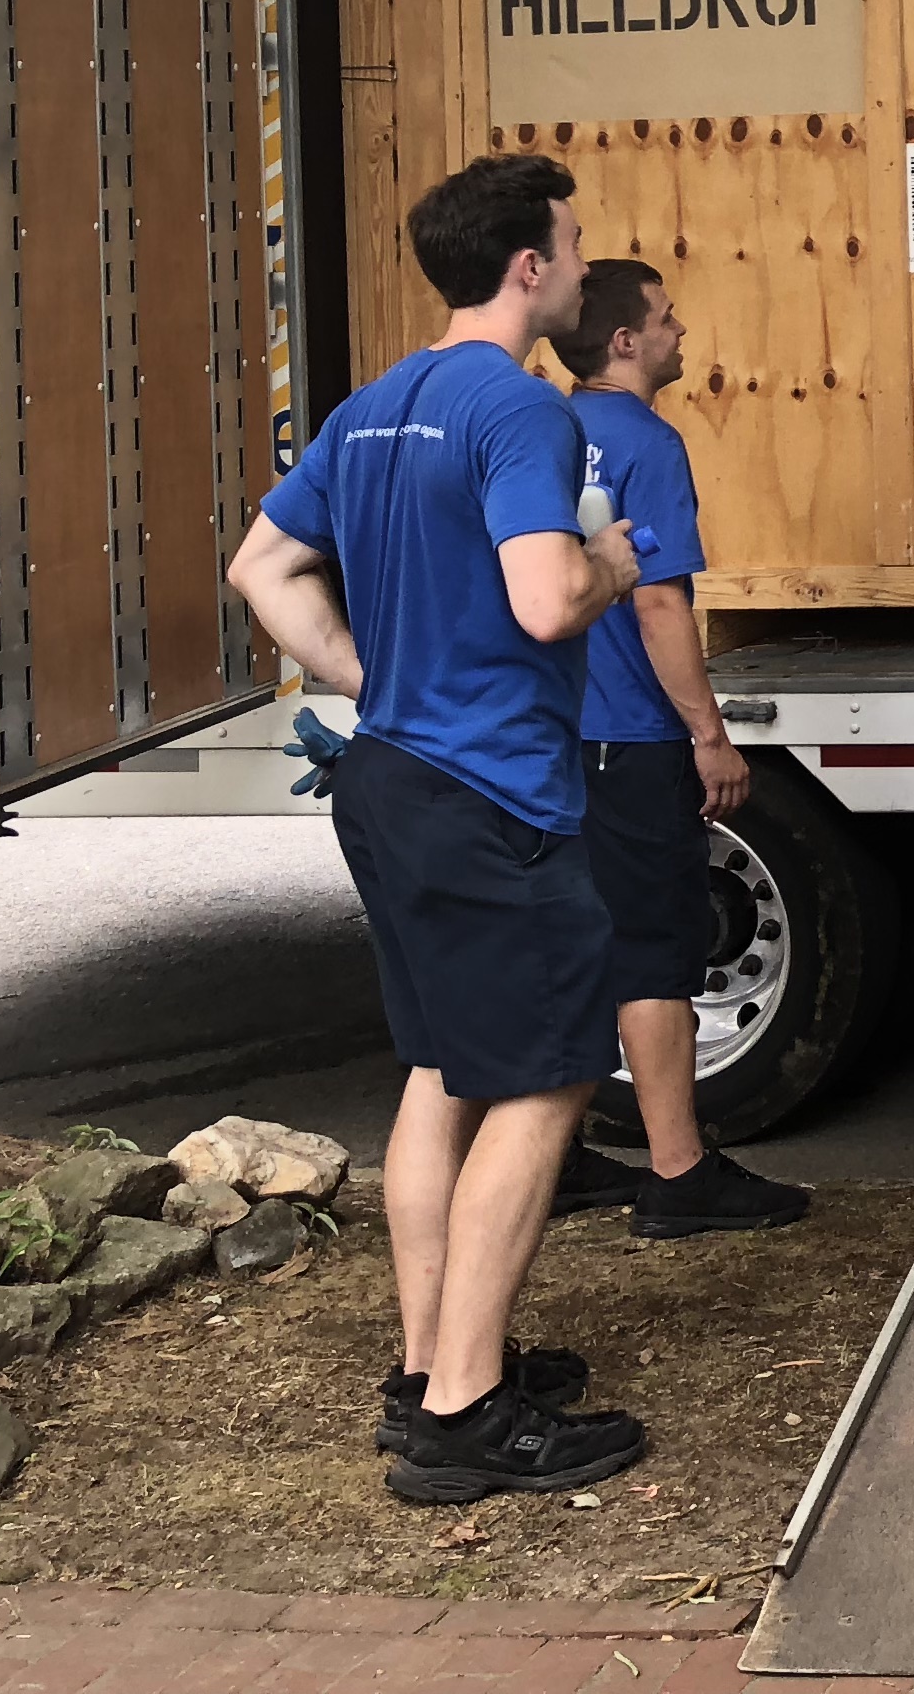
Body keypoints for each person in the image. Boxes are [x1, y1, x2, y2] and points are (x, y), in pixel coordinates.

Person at [224, 152, 649, 1504]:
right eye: (574, 244)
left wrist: (363, 672)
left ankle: (432, 1366)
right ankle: (466, 1415)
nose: (583, 265)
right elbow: (543, 600)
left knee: (441, 1073)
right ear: (527, 267)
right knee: (542, 1079)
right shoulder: (522, 414)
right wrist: (618, 567)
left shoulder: (374, 405)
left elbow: (261, 568)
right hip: (494, 792)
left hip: (393, 778)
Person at [545, 258, 810, 1237]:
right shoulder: (646, 443)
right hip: (630, 734)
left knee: (574, 949)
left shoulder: (545, 430)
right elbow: (657, 601)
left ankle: (557, 1153)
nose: (681, 330)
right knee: (655, 955)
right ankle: (679, 1175)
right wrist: (710, 733)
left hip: (551, 737)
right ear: (625, 341)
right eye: (665, 318)